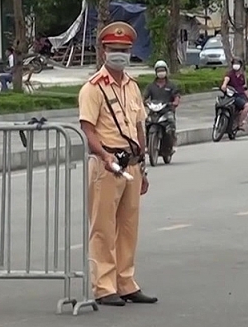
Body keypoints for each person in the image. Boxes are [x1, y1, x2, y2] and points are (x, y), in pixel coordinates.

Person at [77, 21, 158, 307]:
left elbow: (139, 128)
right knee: (103, 227)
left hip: (132, 165)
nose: (119, 54)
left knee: (128, 226)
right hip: (107, 164)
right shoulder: (93, 89)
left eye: (123, 49)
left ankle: (125, 282)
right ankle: (104, 285)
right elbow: (88, 130)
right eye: (114, 49)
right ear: (103, 51)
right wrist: (105, 156)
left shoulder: (133, 87)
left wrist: (143, 167)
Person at [142, 60, 180, 157]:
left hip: (167, 111)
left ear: (166, 71)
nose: (161, 72)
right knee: (147, 123)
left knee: (170, 124)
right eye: (159, 70)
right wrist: (142, 101)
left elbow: (176, 96)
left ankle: (172, 144)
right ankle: (148, 145)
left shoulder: (171, 85)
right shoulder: (151, 86)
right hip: (154, 111)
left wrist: (175, 102)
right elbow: (144, 96)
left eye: (162, 70)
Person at [220, 57, 248, 139]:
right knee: (247, 106)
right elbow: (226, 80)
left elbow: (244, 88)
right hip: (234, 97)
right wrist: (224, 85)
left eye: (238, 64)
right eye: (234, 64)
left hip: (242, 96)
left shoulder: (242, 76)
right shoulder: (230, 74)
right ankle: (239, 123)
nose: (236, 66)